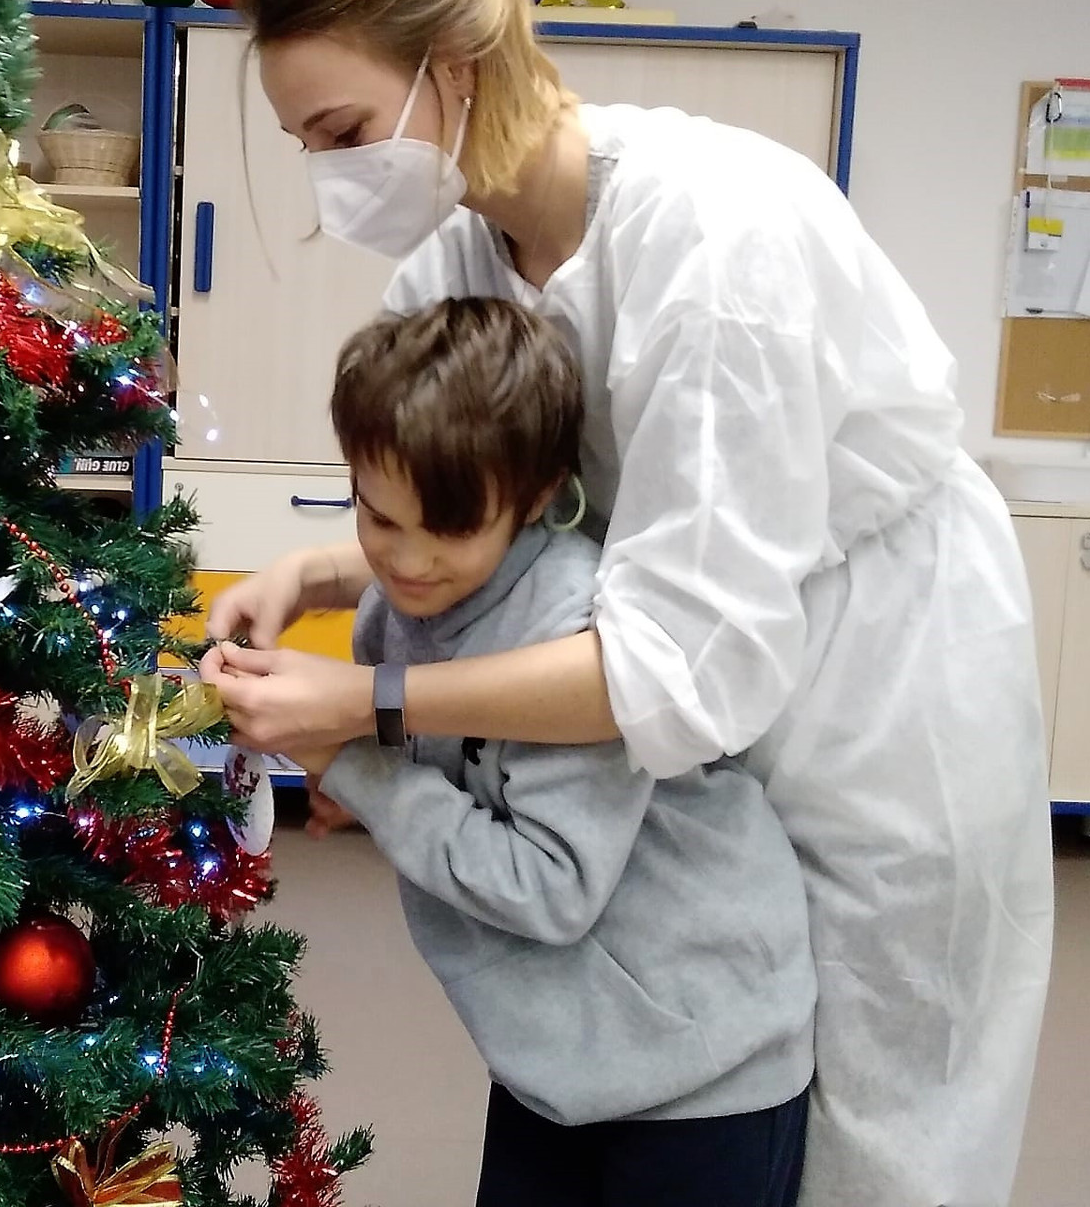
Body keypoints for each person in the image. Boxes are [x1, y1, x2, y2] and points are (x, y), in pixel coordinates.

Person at [200, 0, 1054, 1207]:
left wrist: (364, 709)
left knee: (883, 1103)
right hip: (684, 647)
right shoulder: (460, 264)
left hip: (880, 683)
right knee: (711, 1017)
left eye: (345, 131)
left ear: (457, 69)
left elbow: (672, 667)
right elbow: (515, 517)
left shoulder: (720, 245)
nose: (333, 176)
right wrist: (314, 572)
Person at [298, 295, 815, 1207]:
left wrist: (351, 763)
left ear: (536, 499)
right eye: (379, 520)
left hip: (699, 1065)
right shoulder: (396, 614)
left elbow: (548, 884)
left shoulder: (572, 625)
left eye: (450, 529)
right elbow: (434, 774)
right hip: (559, 1059)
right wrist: (363, 778)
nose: (407, 562)